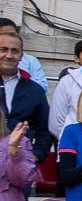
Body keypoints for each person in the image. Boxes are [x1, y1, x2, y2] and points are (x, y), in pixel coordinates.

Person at [0, 29, 51, 163]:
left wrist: (36, 156)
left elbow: (44, 130)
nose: (9, 55)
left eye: (14, 51)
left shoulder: (34, 90)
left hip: (19, 163)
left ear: (22, 55)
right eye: (3, 49)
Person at [0, 18, 47, 90]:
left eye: (11, 34)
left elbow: (42, 86)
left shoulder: (31, 61)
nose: (9, 56)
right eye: (3, 35)